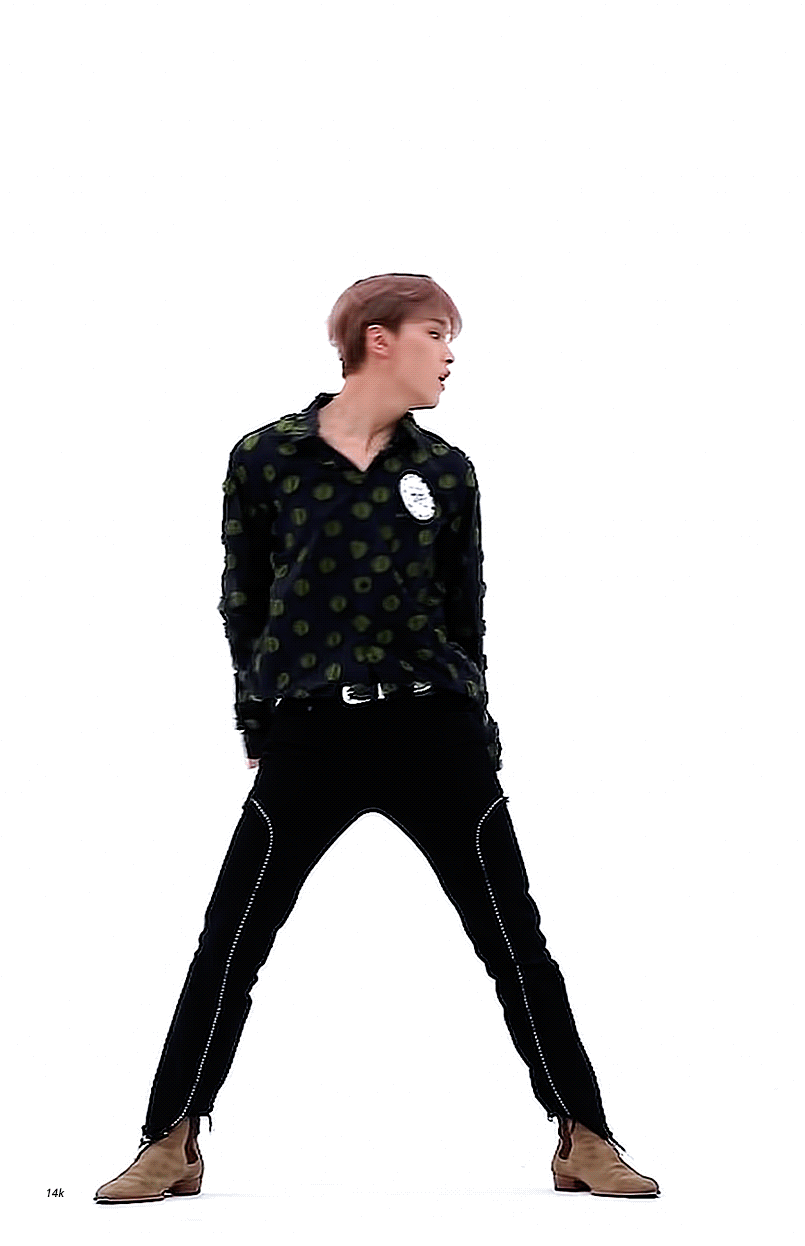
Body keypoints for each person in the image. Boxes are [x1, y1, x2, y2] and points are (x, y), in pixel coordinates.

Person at [95, 273, 659, 1203]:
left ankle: (585, 1136)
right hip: (312, 733)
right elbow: (242, 599)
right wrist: (257, 720)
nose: (451, 355)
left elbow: (466, 610)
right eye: (436, 332)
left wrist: (477, 727)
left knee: (514, 941)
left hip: (435, 731)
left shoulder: (448, 471)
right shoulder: (265, 457)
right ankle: (171, 1139)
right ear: (377, 339)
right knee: (230, 938)